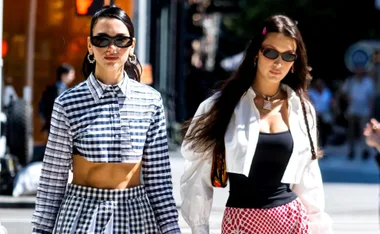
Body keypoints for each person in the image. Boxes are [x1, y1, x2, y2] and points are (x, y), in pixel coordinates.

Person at [32, 5, 180, 234]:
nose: (112, 47)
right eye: (102, 40)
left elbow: (159, 181)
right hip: (81, 214)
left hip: (137, 216)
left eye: (121, 40)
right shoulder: (67, 103)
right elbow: (53, 179)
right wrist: (41, 231)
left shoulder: (151, 101)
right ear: (90, 45)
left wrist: (171, 230)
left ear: (132, 46)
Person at [180, 15, 333, 234]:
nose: (278, 63)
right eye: (270, 52)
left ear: (294, 63)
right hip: (241, 223)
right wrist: (199, 228)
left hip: (292, 222)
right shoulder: (220, 107)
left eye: (288, 56)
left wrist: (320, 228)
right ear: (256, 54)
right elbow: (196, 174)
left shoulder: (302, 109)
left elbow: (309, 179)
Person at [341, 69, 375, 160]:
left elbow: (371, 97)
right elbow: (343, 93)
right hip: (352, 110)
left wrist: (371, 111)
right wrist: (348, 99)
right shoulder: (350, 81)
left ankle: (365, 150)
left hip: (364, 110)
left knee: (364, 131)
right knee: (351, 132)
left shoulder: (368, 82)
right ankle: (351, 150)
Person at [38, 63, 75, 134]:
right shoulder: (60, 90)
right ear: (64, 75)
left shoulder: (54, 88)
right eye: (71, 74)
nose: (73, 76)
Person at [308, 78, 333, 147]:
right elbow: (310, 102)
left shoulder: (327, 92)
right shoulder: (311, 93)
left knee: (326, 127)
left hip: (325, 112)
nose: (319, 85)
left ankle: (324, 143)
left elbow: (331, 102)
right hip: (315, 113)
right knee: (317, 129)